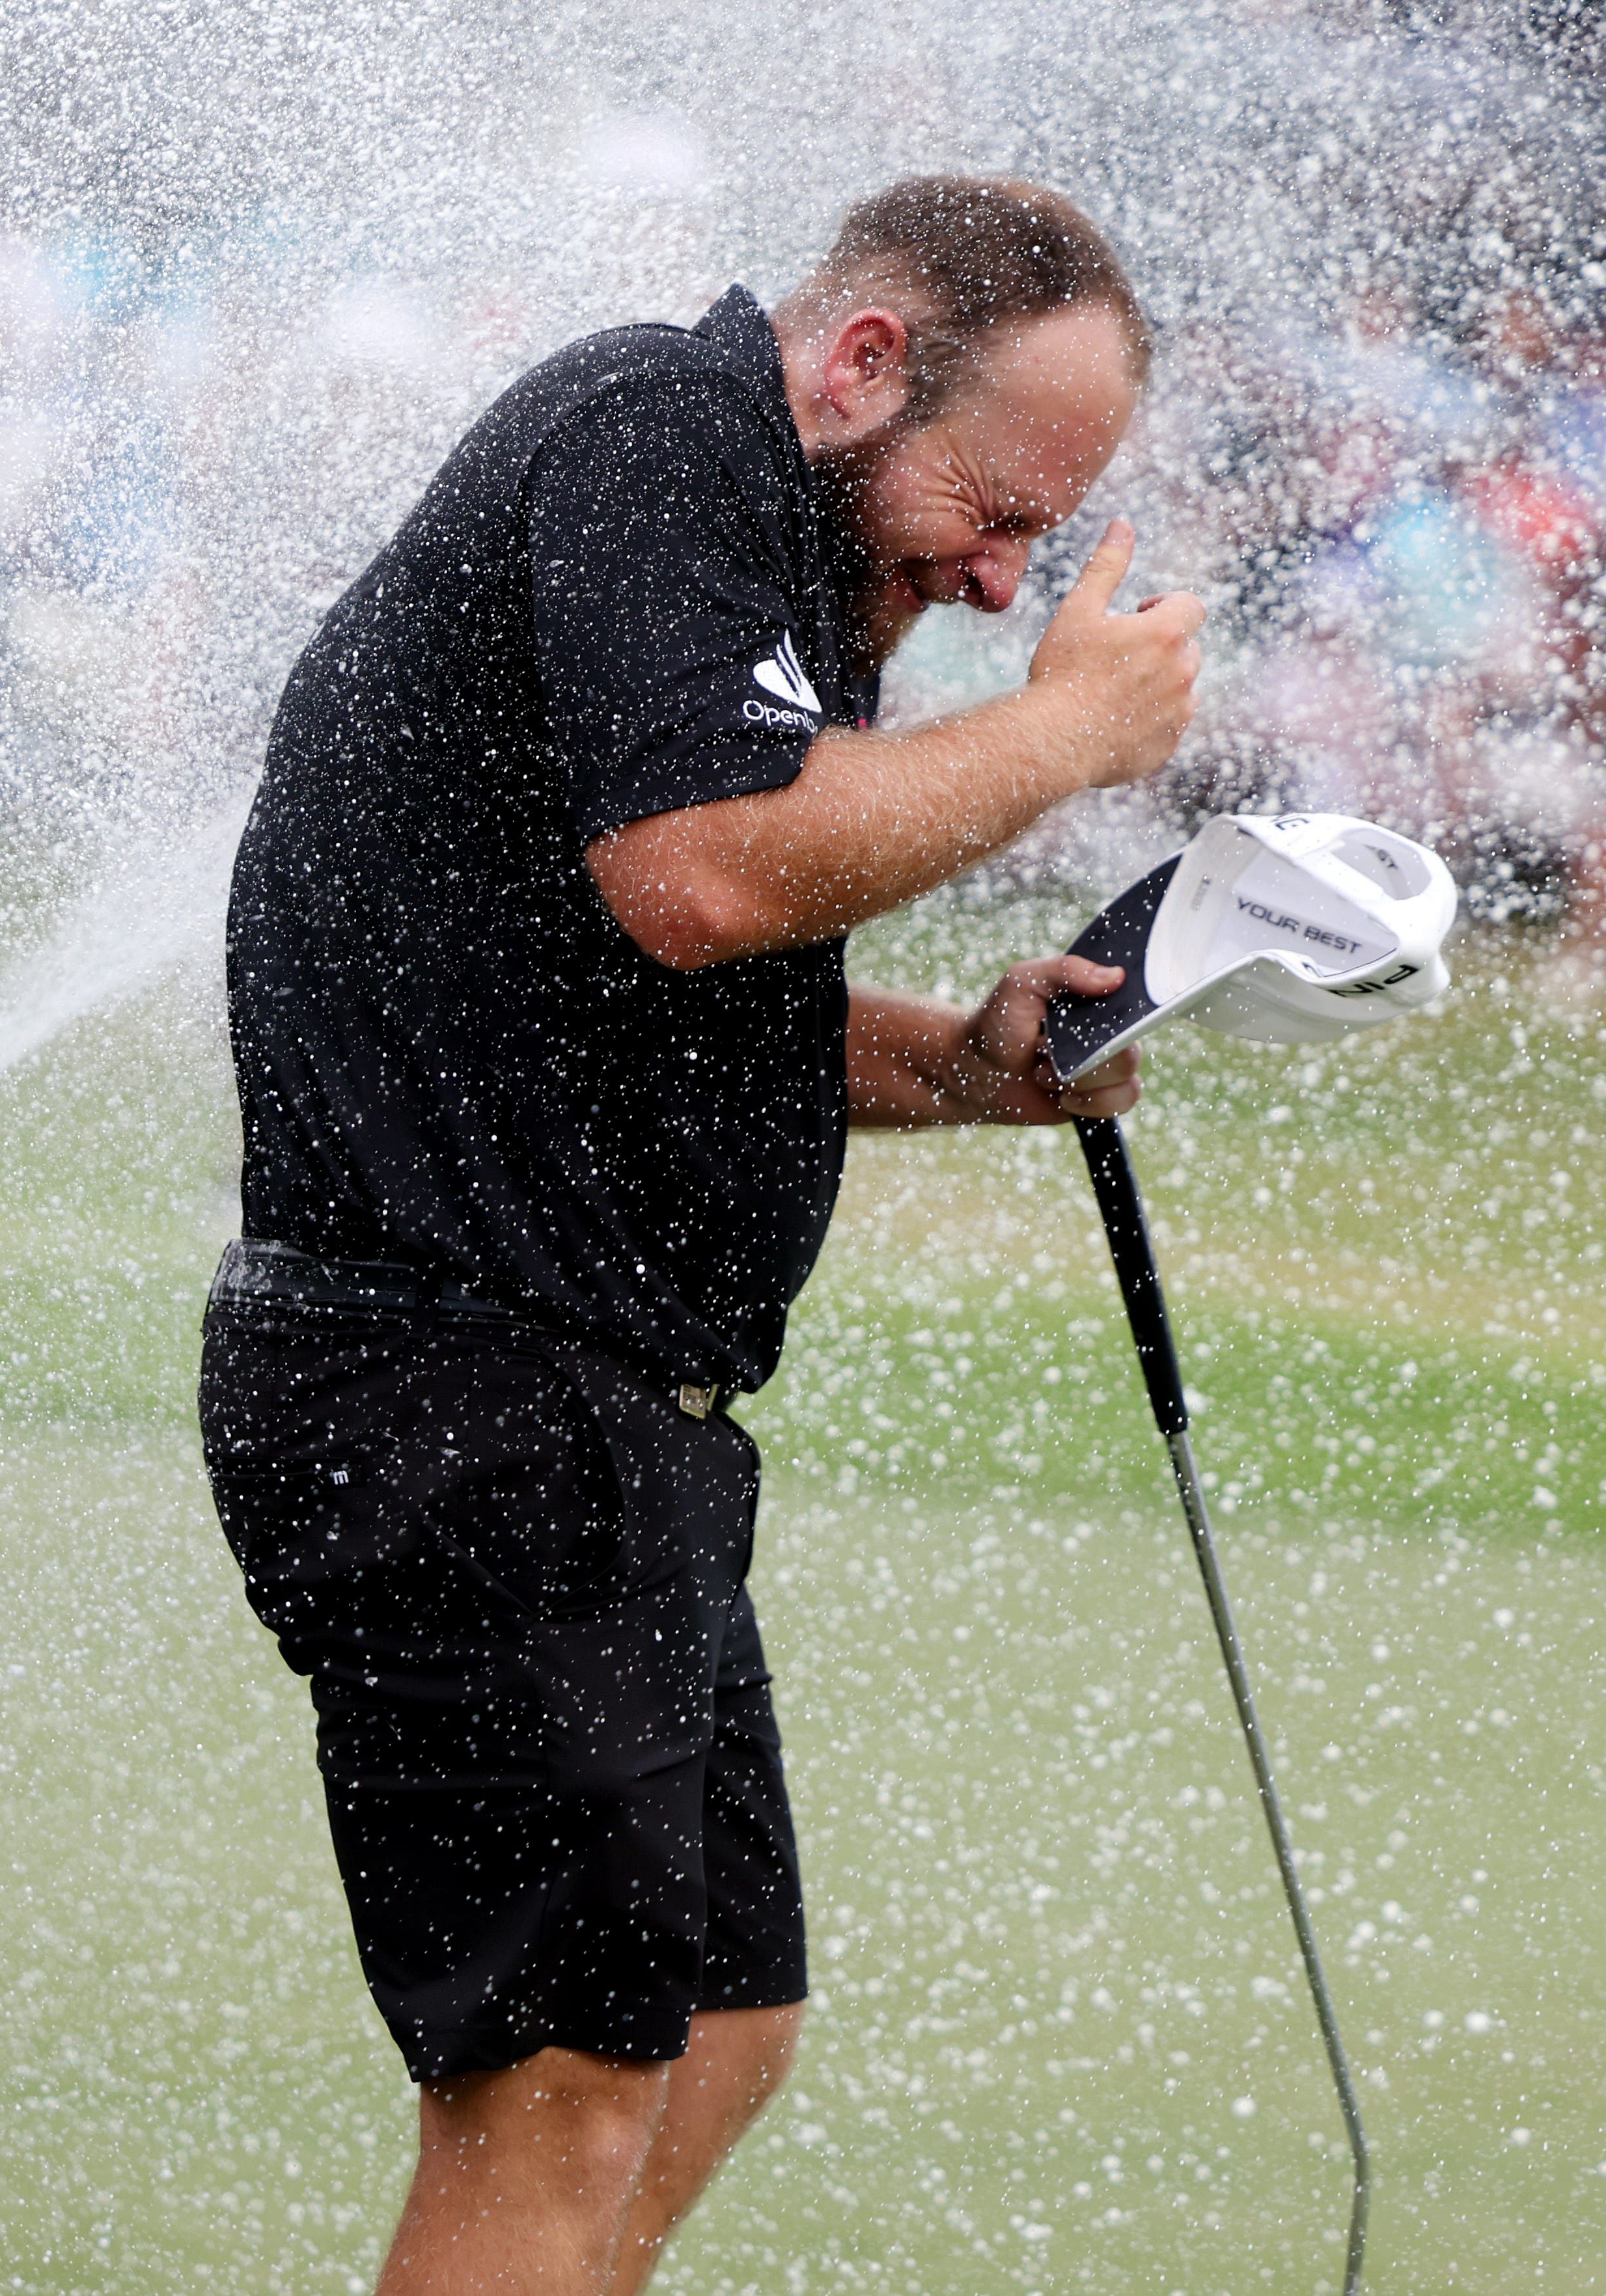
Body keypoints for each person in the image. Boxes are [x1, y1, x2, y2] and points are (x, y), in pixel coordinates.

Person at [202, 175, 1204, 2296]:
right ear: (856, 368)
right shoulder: (662, 431)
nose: (1005, 571)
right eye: (995, 505)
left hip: (577, 1416)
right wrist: (1071, 736)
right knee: (555, 2098)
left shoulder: (746, 536)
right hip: (462, 1391)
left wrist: (971, 1064)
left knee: (724, 2038)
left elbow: (640, 977)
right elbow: (705, 882)